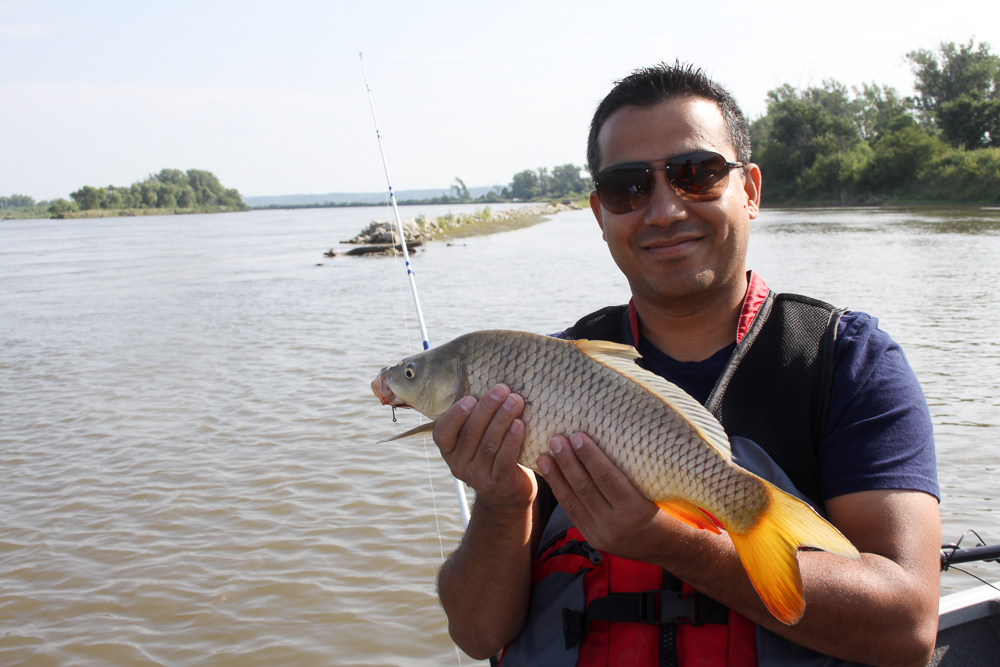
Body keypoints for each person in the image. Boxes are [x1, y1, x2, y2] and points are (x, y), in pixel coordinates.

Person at [432, 63, 941, 667]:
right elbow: (477, 636)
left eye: (696, 174)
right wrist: (500, 502)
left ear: (750, 190)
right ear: (600, 214)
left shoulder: (846, 360)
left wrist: (676, 545)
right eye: (628, 187)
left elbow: (908, 630)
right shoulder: (541, 376)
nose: (665, 209)